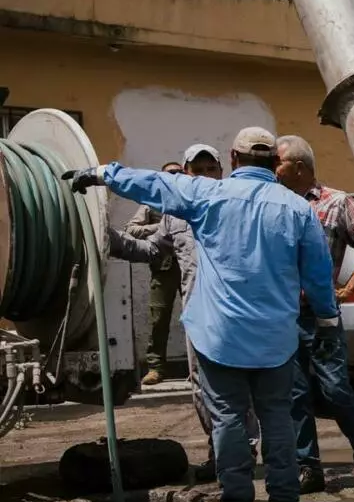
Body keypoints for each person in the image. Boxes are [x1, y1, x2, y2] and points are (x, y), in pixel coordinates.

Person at [65, 126, 341, 502]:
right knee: (277, 419)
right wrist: (328, 321)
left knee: (227, 418)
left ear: (233, 159)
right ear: (274, 163)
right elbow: (318, 275)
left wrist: (102, 173)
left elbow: (155, 184)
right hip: (276, 340)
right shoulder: (297, 209)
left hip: (219, 337)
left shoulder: (206, 194)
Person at [107, 144, 260, 483]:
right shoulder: (175, 215)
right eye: (197, 170)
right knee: (202, 390)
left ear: (221, 172)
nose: (204, 176)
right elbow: (149, 250)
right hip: (197, 317)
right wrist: (106, 238)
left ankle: (245, 455)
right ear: (187, 175)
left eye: (210, 169)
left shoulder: (236, 207)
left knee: (241, 391)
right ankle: (219, 453)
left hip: (237, 314)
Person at [274, 135, 354, 494]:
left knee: (335, 389)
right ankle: (309, 468)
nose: (273, 170)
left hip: (321, 316)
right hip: (284, 316)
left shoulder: (336, 203)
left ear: (300, 167)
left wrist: (349, 289)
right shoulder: (273, 203)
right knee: (294, 395)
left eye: (279, 163)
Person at [124, 160, 183, 386]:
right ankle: (156, 367)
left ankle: (199, 367)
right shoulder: (152, 201)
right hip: (164, 267)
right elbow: (131, 229)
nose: (174, 176)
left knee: (199, 317)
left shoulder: (191, 198)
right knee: (159, 318)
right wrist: (162, 228)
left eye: (178, 172)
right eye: (169, 173)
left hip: (192, 266)